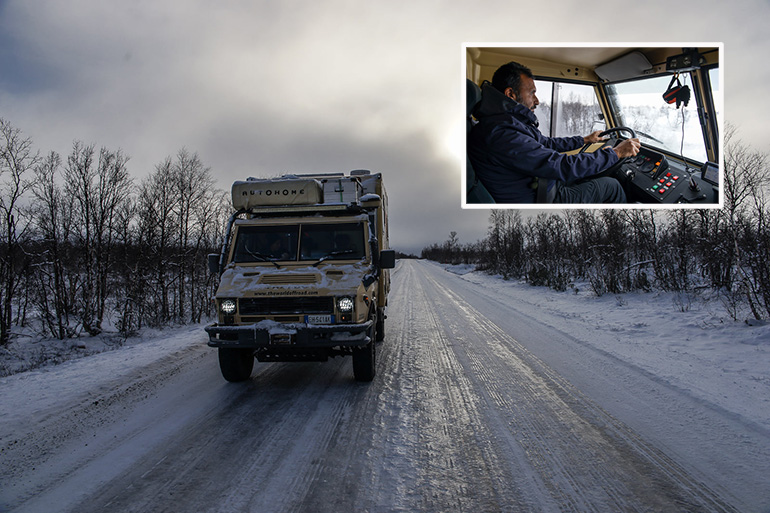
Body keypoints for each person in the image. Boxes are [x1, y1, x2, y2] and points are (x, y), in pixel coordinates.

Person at [468, 61, 641, 203]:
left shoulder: (508, 123)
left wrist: (584, 140)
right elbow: (558, 165)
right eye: (532, 93)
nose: (537, 100)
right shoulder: (501, 133)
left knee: (588, 176)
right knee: (611, 186)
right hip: (541, 198)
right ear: (510, 94)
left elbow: (545, 143)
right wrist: (616, 153)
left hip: (542, 183)